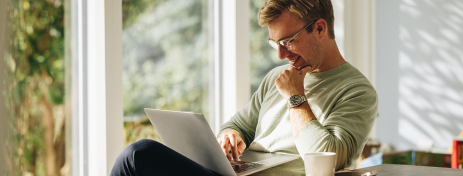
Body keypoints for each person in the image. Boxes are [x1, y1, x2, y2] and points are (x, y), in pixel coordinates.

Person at [110, 0, 378, 175]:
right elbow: (239, 124)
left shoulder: (357, 92)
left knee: (139, 155)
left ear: (319, 28)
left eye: (288, 41)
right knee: (139, 157)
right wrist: (229, 136)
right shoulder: (277, 76)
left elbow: (327, 158)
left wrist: (296, 98)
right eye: (275, 44)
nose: (281, 55)